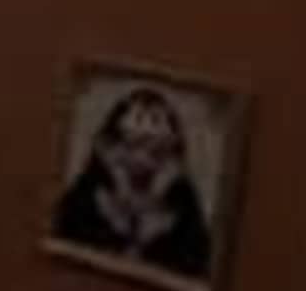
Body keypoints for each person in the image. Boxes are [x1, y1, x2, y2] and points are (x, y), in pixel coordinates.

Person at [53, 80, 213, 277]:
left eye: (157, 151)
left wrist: (155, 200)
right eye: (134, 144)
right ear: (107, 146)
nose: (143, 159)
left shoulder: (185, 216)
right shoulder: (80, 203)